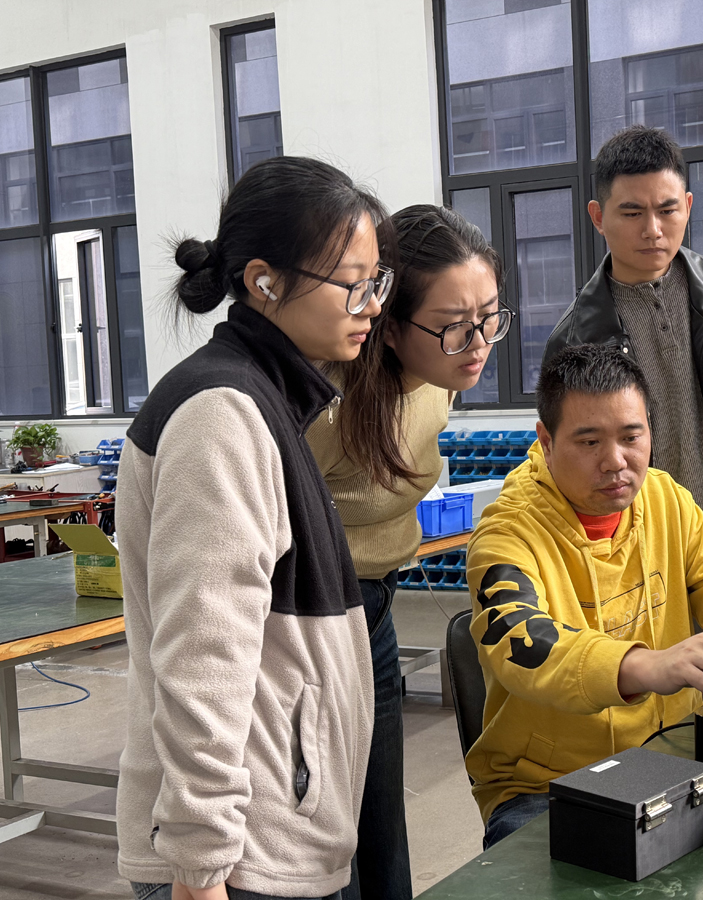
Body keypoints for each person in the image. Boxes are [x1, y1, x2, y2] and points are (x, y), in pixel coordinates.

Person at [116, 156, 392, 900]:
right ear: (265, 282)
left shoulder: (261, 397)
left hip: (264, 832)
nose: (371, 305)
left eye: (378, 281)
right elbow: (203, 653)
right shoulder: (222, 415)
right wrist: (201, 861)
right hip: (236, 860)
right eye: (354, 283)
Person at [465, 344, 703, 848]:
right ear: (546, 440)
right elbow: (527, 645)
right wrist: (647, 665)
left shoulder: (665, 499)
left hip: (673, 762)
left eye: (632, 437)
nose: (615, 461)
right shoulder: (506, 534)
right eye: (589, 442)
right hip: (546, 785)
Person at [305, 205, 509, 900]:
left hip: (376, 606)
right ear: (388, 325)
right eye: (453, 325)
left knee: (382, 822)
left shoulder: (441, 379)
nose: (477, 343)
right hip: (312, 619)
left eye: (488, 317)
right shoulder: (327, 409)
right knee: (328, 835)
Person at [543, 125, 703, 576]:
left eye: (667, 210)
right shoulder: (574, 339)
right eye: (632, 212)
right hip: (650, 570)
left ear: (689, 206)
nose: (653, 230)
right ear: (598, 217)